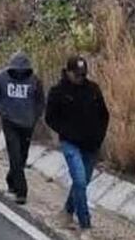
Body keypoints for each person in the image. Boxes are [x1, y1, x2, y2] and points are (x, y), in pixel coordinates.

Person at [45, 56, 109, 235]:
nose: (81, 78)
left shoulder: (93, 90)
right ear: (68, 72)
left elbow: (104, 115)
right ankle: (85, 225)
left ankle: (67, 212)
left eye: (83, 74)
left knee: (83, 183)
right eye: (77, 75)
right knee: (79, 180)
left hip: (91, 145)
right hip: (70, 143)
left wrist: (99, 136)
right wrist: (66, 132)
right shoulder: (57, 92)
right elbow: (50, 117)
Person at [0, 51, 45, 205]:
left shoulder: (34, 81)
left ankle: (11, 179)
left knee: (22, 156)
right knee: (14, 155)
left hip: (27, 123)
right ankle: (21, 191)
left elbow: (40, 100)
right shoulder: (1, 79)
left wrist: (35, 116)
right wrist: (2, 112)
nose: (20, 71)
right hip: (10, 123)